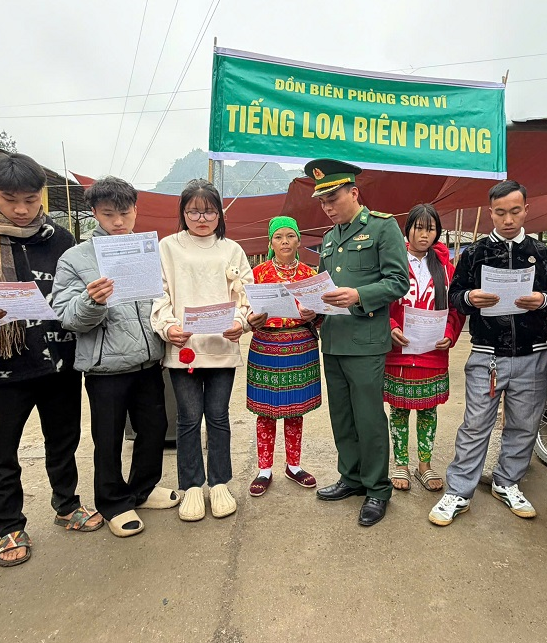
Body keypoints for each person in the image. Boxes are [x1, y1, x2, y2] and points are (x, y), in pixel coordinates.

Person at [0, 152, 101, 567]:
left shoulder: (59, 238)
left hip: (59, 361)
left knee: (63, 440)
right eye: (11, 200)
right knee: (4, 449)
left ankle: (67, 504)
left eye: (31, 199)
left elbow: (75, 293)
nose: (23, 209)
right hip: (3, 365)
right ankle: (9, 525)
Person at [52, 176, 178, 538]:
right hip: (105, 367)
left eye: (125, 213)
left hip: (149, 360)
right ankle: (113, 502)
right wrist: (92, 300)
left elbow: (164, 300)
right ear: (94, 213)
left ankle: (143, 489)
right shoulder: (76, 258)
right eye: (109, 214)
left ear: (136, 209)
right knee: (107, 439)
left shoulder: (148, 251)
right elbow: (67, 316)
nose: (118, 221)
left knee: (153, 429)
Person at [429, 180, 547, 526]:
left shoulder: (543, 254)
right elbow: (454, 297)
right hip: (487, 354)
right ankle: (459, 490)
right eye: (500, 213)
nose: (508, 219)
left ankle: (507, 482)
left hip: (533, 352)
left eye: (515, 211)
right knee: (475, 424)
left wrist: (543, 300)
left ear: (526, 210)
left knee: (524, 424)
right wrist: (470, 298)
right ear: (491, 213)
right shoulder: (475, 253)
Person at [150, 178, 261, 521]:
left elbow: (247, 294)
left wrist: (240, 322)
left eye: (209, 211)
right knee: (187, 419)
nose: (202, 218)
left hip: (221, 346)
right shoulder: (167, 247)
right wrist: (168, 326)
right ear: (183, 213)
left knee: (218, 416)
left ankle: (220, 482)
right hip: (183, 346)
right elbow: (159, 293)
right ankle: (192, 486)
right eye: (194, 211)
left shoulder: (232, 249)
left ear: (219, 214)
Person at [308, 159, 409, 527]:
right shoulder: (329, 238)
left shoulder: (383, 227)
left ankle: (377, 488)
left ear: (354, 192)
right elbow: (324, 287)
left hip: (366, 341)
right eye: (323, 202)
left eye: (333, 198)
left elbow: (399, 281)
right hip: (333, 339)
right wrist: (311, 307)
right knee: (342, 416)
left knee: (368, 418)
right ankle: (350, 477)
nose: (327, 207)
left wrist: (359, 295)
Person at [385, 204, 465, 493]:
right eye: (418, 227)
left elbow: (456, 309)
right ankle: (401, 463)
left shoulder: (446, 268)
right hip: (399, 351)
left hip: (433, 351)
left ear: (437, 232)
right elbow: (382, 302)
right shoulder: (393, 263)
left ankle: (424, 465)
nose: (424, 234)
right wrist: (391, 326)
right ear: (407, 230)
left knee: (428, 409)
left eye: (430, 229)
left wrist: (449, 333)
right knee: (399, 409)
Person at [246, 216, 321, 497]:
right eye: (278, 237)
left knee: (295, 410)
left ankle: (294, 466)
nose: (285, 242)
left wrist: (315, 314)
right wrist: (250, 318)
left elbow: (322, 314)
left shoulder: (310, 275)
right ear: (270, 242)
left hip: (301, 345)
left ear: (299, 241)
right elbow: (245, 308)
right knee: (266, 411)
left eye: (290, 236)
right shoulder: (257, 274)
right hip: (265, 345)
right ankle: (264, 469)